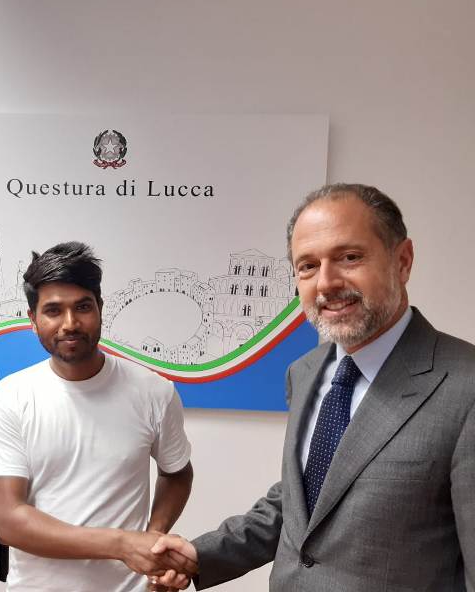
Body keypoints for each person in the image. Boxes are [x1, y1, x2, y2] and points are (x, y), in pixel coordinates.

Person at [151, 183, 475, 591]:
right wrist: (202, 555)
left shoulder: (465, 387)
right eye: (307, 266)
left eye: (350, 257)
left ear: (403, 261)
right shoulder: (305, 373)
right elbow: (304, 500)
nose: (326, 283)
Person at [0, 241, 196, 591]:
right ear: (33, 319)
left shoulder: (154, 391)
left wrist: (153, 541)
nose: (70, 323)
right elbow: (9, 520)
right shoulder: (11, 397)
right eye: (53, 311)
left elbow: (178, 473)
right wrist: (123, 544)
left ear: (100, 308)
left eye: (82, 307)